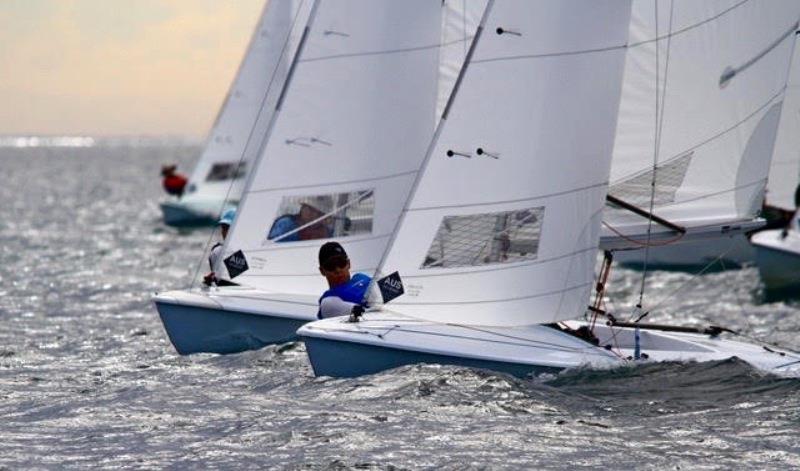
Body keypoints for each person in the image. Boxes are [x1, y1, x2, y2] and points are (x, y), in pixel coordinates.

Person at [317, 242, 371, 320]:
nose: (338, 270)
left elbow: (392, 288)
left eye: (341, 263)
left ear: (348, 263)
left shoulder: (362, 277)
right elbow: (364, 316)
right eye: (330, 266)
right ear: (322, 271)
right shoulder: (328, 302)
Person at [268, 196, 335, 242]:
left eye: (318, 212)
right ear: (302, 207)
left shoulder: (326, 231)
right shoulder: (286, 224)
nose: (313, 214)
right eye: (309, 208)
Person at [203, 208, 238, 286]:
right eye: (223, 228)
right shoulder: (218, 251)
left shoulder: (251, 249)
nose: (224, 232)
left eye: (228, 228)